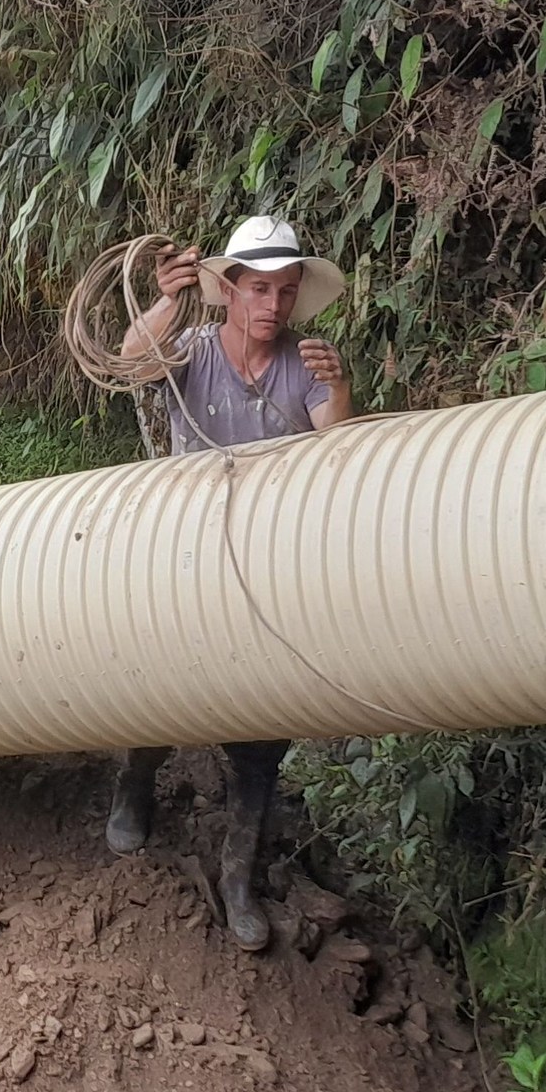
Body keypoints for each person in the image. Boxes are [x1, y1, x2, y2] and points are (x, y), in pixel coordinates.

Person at [106, 214, 353, 953]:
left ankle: (238, 875)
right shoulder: (191, 347)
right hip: (187, 554)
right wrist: (166, 301)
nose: (271, 305)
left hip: (272, 566)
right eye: (257, 289)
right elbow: (129, 362)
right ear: (230, 291)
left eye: (284, 290)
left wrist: (340, 388)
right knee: (162, 689)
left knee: (263, 725)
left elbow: (342, 453)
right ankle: (134, 787)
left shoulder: (306, 365)